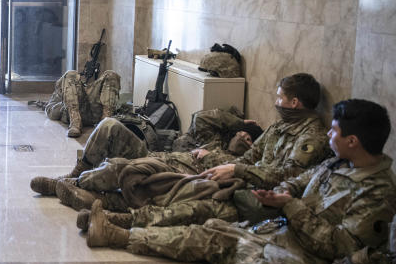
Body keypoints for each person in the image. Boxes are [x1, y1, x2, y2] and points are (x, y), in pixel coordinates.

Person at [85, 99, 396, 264]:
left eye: (335, 132)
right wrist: (281, 194)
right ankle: (120, 236)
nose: (330, 134)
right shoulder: (337, 162)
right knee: (207, 234)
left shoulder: (378, 192)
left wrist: (291, 206)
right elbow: (300, 181)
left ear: (353, 140)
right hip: (277, 233)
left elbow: (338, 248)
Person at [39, 74, 330, 209]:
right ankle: (73, 181)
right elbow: (248, 156)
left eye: (280, 98)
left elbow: (287, 174)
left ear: (294, 101)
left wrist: (233, 168)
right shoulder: (281, 126)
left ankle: (74, 190)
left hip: (208, 171)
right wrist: (231, 148)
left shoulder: (310, 137)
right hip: (196, 160)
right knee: (114, 136)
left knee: (125, 169)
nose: (276, 103)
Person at [30, 107, 262, 205]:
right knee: (109, 125)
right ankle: (77, 173)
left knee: (117, 167)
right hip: (153, 155)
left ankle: (69, 185)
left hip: (167, 175)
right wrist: (239, 123)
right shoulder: (212, 139)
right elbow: (202, 118)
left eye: (248, 140)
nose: (243, 137)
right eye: (241, 134)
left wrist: (214, 157)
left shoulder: (238, 165)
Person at [39, 69, 121, 138]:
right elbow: (51, 112)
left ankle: (106, 124)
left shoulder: (89, 88)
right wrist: (66, 103)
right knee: (71, 73)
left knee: (111, 74)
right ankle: (75, 122)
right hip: (75, 112)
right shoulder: (63, 88)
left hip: (96, 111)